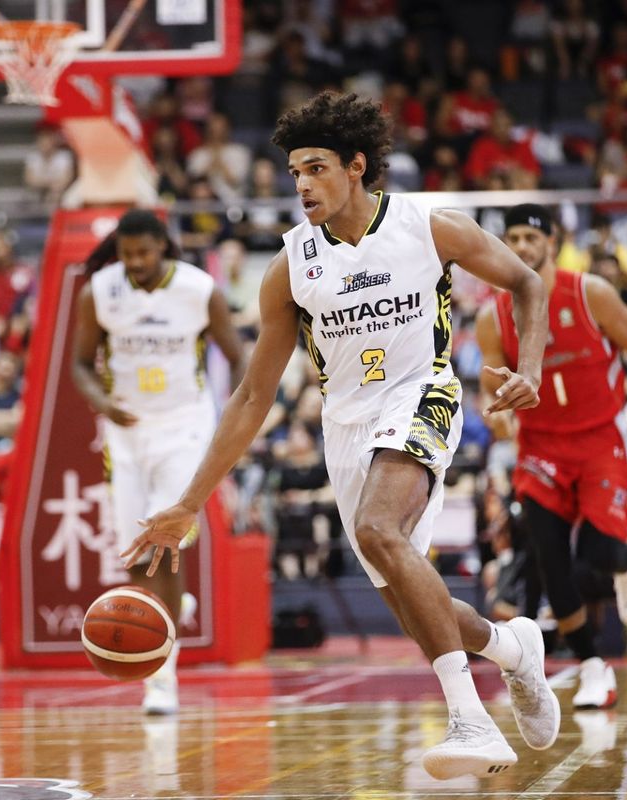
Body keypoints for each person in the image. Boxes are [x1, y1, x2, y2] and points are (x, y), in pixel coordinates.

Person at [121, 92, 559, 780]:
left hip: (422, 394)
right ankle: (513, 649)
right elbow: (251, 396)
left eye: (316, 168)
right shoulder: (290, 267)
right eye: (295, 171)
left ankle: (470, 721)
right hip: (346, 425)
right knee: (415, 606)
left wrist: (529, 368)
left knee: (380, 530)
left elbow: (527, 283)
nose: (301, 184)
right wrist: (187, 503)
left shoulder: (428, 227)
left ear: (357, 166)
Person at [477, 204, 627, 711]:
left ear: (553, 242)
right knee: (550, 561)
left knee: (599, 554)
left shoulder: (590, 293)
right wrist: (496, 416)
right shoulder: (493, 315)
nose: (521, 246)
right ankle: (592, 667)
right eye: (513, 237)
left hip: (600, 439)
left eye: (530, 237)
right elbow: (487, 386)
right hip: (540, 449)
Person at [72, 209, 246, 715]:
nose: (135, 262)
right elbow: (81, 364)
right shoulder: (99, 292)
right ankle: (170, 608)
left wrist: (227, 416)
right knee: (136, 551)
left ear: (163, 247)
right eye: (127, 254)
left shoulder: (198, 289)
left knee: (162, 542)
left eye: (144, 253)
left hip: (184, 427)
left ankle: (161, 676)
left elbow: (238, 356)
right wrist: (102, 403)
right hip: (126, 433)